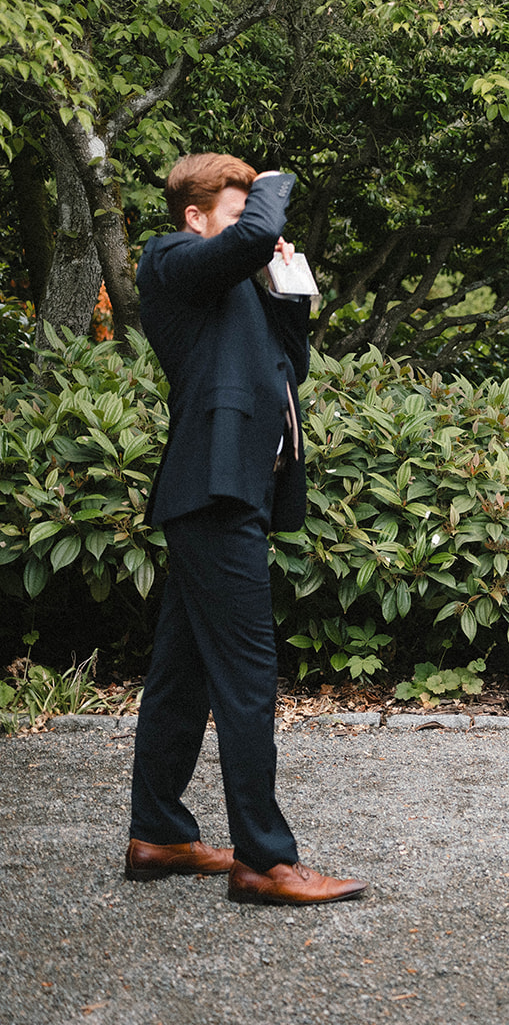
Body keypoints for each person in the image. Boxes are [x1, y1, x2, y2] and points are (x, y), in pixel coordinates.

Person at [125, 153, 367, 904]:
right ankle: (265, 860)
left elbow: (289, 367)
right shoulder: (171, 259)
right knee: (247, 675)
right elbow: (253, 230)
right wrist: (270, 187)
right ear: (197, 219)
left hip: (237, 493)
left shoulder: (239, 289)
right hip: (214, 491)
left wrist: (288, 292)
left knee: (183, 672)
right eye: (234, 217)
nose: (255, 235)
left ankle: (160, 834)